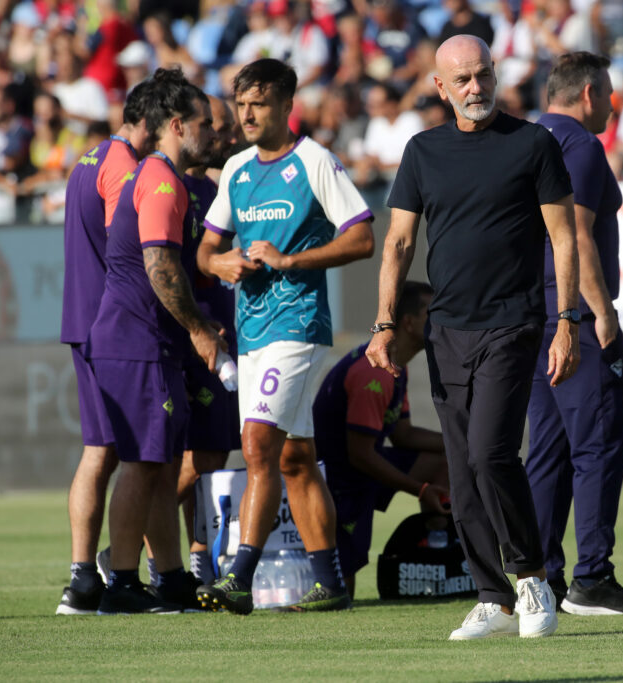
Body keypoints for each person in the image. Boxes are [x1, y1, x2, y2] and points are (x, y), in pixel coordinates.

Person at [366, 34, 580, 641]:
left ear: (496, 72)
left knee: (491, 453)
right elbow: (399, 244)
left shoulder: (533, 144)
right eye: (460, 79)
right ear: (439, 87)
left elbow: (563, 238)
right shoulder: (422, 151)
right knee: (463, 474)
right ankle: (494, 596)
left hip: (515, 323)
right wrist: (385, 323)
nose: (475, 88)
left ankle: (532, 577)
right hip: (446, 331)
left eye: (482, 74)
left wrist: (568, 322)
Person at [196, 58, 375, 614]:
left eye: (259, 104)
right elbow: (206, 250)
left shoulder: (316, 162)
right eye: (241, 104)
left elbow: (363, 237)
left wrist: (291, 259)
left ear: (285, 104)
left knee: (257, 447)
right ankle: (330, 583)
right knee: (295, 457)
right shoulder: (237, 170)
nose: (246, 114)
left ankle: (238, 576)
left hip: (297, 325)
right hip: (252, 331)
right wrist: (219, 263)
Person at [87, 68, 226, 614]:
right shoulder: (163, 182)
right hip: (134, 339)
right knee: (143, 464)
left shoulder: (167, 178)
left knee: (164, 462)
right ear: (176, 125)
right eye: (204, 124)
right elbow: (160, 266)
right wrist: (200, 329)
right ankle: (121, 581)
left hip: (150, 343)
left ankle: (169, 577)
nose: (212, 134)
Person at [527, 51, 623, 616]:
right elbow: (575, 232)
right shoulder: (578, 144)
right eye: (607, 93)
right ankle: (592, 579)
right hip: (571, 315)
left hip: (529, 316)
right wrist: (600, 313)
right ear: (586, 94)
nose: (610, 104)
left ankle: (540, 579)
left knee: (548, 450)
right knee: (600, 441)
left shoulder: (527, 139)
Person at [55, 80, 157, 616]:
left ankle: (81, 578)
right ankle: (110, 577)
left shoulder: (85, 158)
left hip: (82, 318)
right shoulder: (122, 163)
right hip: (112, 323)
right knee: (128, 453)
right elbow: (130, 241)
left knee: (103, 449)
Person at [313, 281, 450, 599]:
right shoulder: (375, 373)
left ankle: (440, 553)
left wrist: (463, 442)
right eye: (433, 313)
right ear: (408, 322)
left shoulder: (396, 365)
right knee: (342, 586)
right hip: (340, 478)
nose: (441, 321)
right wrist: (422, 491)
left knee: (444, 458)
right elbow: (359, 455)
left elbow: (402, 436)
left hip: (363, 466)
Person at [175, 95, 241, 587]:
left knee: (212, 452)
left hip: (221, 331)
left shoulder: (215, 188)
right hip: (194, 338)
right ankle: (125, 546)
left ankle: (200, 557)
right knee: (199, 456)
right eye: (217, 127)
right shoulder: (172, 186)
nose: (226, 137)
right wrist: (197, 326)